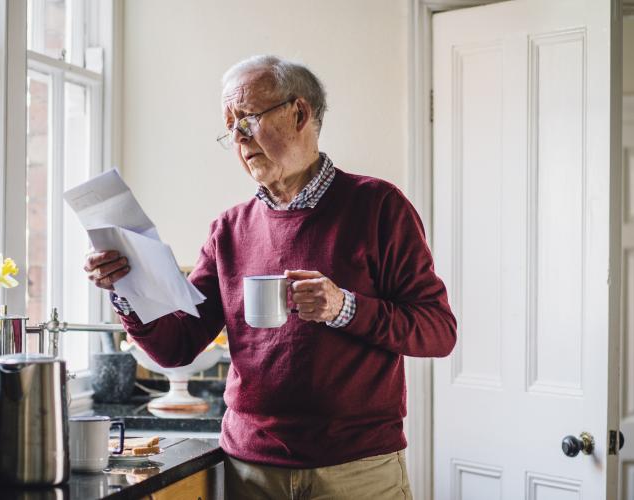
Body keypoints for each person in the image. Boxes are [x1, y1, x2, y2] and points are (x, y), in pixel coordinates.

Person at [84, 55, 457, 499]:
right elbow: (176, 346)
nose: (239, 137)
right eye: (231, 126)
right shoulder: (228, 229)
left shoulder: (378, 206)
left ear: (299, 113)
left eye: (249, 118)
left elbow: (438, 332)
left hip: (357, 471)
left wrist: (344, 308)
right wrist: (125, 289)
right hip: (250, 470)